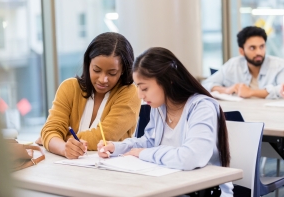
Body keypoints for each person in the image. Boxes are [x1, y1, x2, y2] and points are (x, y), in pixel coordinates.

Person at [98, 47, 233, 196]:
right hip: (169, 187)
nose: (140, 95)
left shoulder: (201, 107)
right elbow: (149, 141)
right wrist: (116, 147)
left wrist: (144, 153)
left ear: (168, 81)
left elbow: (191, 157)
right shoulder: (159, 107)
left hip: (205, 192)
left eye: (144, 88)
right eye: (138, 87)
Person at [39, 32, 141, 159]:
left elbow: (104, 137)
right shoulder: (69, 87)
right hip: (67, 169)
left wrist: (56, 139)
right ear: (88, 64)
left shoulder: (131, 93)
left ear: (123, 71)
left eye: (112, 73)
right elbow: (50, 130)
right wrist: (63, 148)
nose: (103, 79)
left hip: (110, 171)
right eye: (96, 70)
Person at [202, 26, 284, 99]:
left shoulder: (279, 65)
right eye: (252, 48)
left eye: (261, 46)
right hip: (242, 112)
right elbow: (206, 84)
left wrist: (251, 92)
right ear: (241, 51)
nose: (259, 52)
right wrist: (227, 90)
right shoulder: (233, 65)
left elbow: (282, 89)